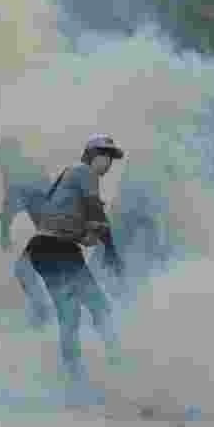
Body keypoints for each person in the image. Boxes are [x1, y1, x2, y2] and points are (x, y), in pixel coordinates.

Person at [26, 134, 126, 398]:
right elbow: (97, 214)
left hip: (41, 249)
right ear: (92, 154)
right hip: (57, 248)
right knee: (99, 306)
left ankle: (74, 383)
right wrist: (112, 250)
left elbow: (69, 221)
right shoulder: (84, 172)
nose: (108, 163)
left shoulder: (69, 176)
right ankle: (123, 370)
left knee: (70, 317)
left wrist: (87, 235)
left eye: (111, 159)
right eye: (105, 155)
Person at [0, 136, 56, 329]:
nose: (0, 164)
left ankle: (44, 312)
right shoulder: (20, 172)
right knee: (30, 270)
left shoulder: (20, 172)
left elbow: (13, 203)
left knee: (25, 270)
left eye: (2, 158)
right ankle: (44, 312)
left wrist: (4, 230)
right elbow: (14, 202)